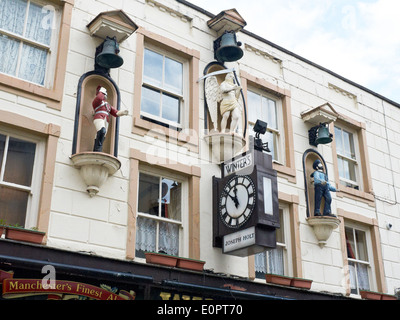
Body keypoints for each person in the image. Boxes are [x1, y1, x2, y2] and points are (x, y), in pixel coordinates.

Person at [92, 86, 128, 152]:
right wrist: (102, 91)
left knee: (103, 136)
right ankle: (97, 149)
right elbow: (99, 98)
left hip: (106, 119)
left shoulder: (108, 105)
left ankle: (98, 149)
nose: (105, 94)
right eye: (104, 93)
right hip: (99, 117)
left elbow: (115, 113)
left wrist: (123, 112)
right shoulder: (97, 102)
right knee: (102, 131)